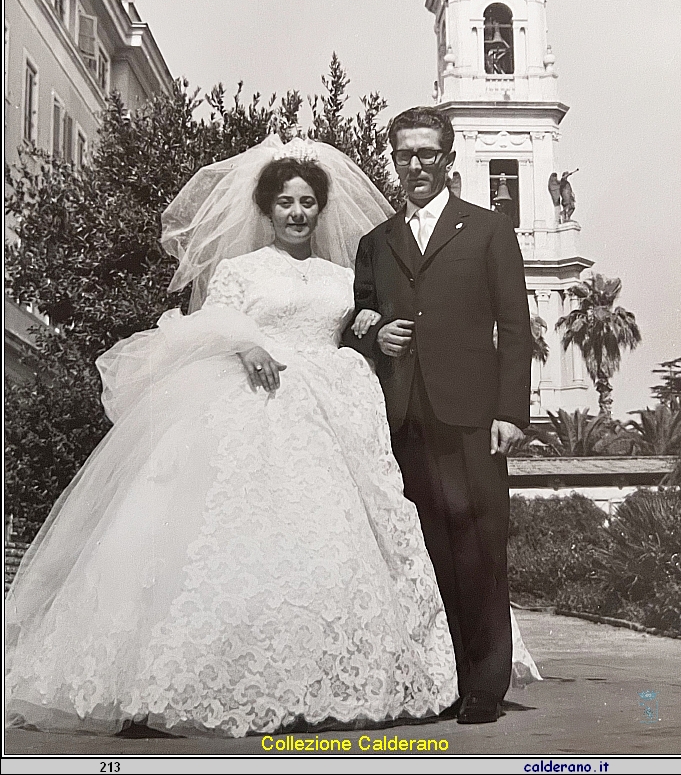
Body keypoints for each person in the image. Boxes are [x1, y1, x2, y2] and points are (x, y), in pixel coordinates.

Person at [6, 135, 538, 739]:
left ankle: (337, 678)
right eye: (284, 202)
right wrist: (247, 343)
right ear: (266, 208)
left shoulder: (346, 271)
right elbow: (202, 325)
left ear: (320, 208)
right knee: (239, 543)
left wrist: (366, 326)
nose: (296, 212)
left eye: (307, 202)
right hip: (259, 406)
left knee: (338, 542)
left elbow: (366, 324)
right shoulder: (240, 270)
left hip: (335, 414)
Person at [342, 108, 534, 725]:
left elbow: (516, 324)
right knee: (431, 552)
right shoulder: (375, 242)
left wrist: (511, 411)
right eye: (405, 155)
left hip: (475, 415)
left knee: (480, 545)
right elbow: (355, 323)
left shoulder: (487, 229)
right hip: (406, 418)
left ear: (447, 158)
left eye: (427, 154)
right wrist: (375, 338)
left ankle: (485, 687)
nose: (416, 166)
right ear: (393, 161)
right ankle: (445, 677)